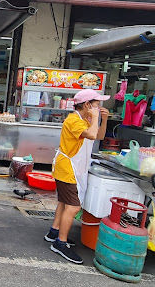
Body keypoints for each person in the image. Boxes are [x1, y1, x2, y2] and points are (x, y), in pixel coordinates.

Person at [47, 89, 109, 264]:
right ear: (87, 105)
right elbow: (90, 134)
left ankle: (54, 232)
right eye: (97, 104)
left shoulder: (85, 119)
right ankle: (61, 243)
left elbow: (99, 136)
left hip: (73, 168)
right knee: (73, 207)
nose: (99, 107)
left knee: (64, 203)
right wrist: (96, 118)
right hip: (67, 168)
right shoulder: (74, 120)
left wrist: (103, 119)